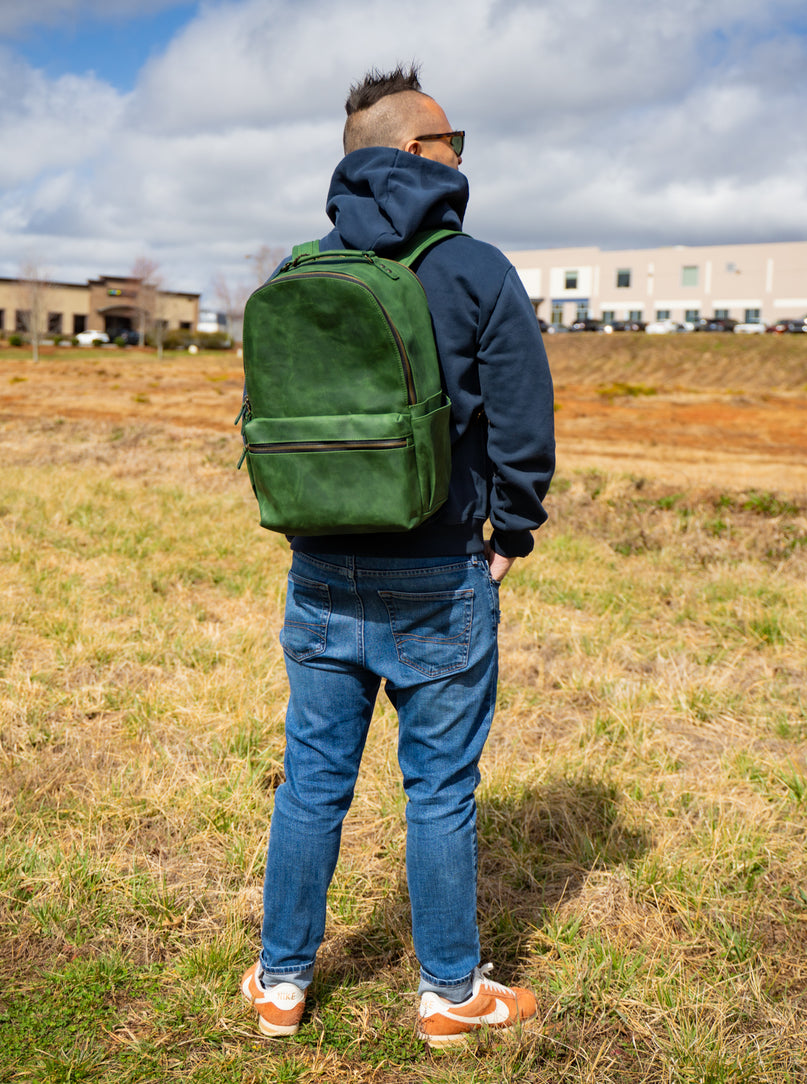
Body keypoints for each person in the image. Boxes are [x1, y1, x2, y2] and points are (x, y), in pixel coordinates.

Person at [241, 63, 555, 1048]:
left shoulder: (301, 275)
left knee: (312, 782)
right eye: (451, 144)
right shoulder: (473, 270)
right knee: (438, 791)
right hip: (439, 574)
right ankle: (450, 993)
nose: (459, 160)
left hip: (321, 571)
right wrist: (513, 530)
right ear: (415, 154)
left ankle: (282, 984)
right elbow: (521, 422)